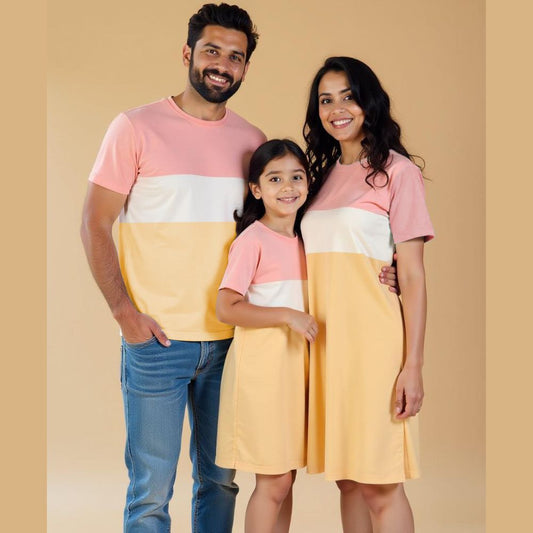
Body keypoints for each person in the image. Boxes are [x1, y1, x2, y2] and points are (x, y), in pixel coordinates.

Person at [80, 4, 265, 532]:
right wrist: (125, 314)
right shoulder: (135, 127)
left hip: (231, 342)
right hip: (157, 342)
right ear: (187, 53)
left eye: (235, 56)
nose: (222, 64)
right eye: (212, 51)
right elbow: (94, 223)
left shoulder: (253, 142)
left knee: (221, 483)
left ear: (245, 68)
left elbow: (274, 234)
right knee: (150, 493)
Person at [301, 56, 435, 532]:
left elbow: (412, 275)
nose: (336, 109)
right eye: (326, 100)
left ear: (369, 102)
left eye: (348, 97)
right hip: (325, 346)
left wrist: (412, 366)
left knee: (380, 483)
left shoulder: (398, 172)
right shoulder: (316, 178)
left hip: (374, 345)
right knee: (348, 480)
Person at [215, 139, 316, 533]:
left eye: (296, 177)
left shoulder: (309, 240)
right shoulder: (252, 240)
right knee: (273, 481)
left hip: (297, 373)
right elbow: (227, 307)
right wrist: (287, 316)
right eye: (274, 179)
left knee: (286, 479)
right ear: (256, 189)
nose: (287, 187)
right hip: (263, 375)